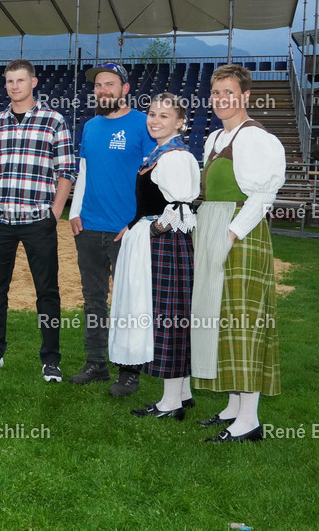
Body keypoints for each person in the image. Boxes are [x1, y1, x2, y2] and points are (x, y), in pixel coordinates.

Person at [191, 64, 285, 443]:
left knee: (243, 321)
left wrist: (229, 234)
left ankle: (249, 420)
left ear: (245, 96)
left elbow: (262, 196)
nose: (221, 100)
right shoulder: (214, 137)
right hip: (215, 226)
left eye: (228, 92)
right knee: (220, 317)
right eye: (216, 93)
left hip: (240, 234)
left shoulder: (256, 139)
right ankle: (232, 406)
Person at [0, 59, 75, 381]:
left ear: (33, 82)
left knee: (47, 291)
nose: (14, 86)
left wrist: (55, 210)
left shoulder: (54, 120)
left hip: (38, 219)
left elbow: (66, 170)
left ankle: (51, 359)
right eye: (9, 81)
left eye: (20, 80)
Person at [103, 94, 200, 420]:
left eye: (163, 115)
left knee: (166, 317)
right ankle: (183, 393)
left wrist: (151, 231)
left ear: (180, 122)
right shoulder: (162, 154)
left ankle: (171, 402)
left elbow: (181, 207)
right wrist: (135, 226)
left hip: (164, 248)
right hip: (163, 245)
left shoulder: (173, 157)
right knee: (172, 315)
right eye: (152, 114)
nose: (155, 120)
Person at [67, 63, 153, 397]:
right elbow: (84, 171)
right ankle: (96, 364)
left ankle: (129, 371)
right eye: (98, 85)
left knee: (128, 303)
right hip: (89, 227)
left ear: (125, 88)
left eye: (110, 84)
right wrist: (74, 212)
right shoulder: (90, 127)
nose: (103, 90)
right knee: (93, 300)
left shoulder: (143, 124)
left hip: (125, 232)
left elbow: (152, 177)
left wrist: (136, 223)